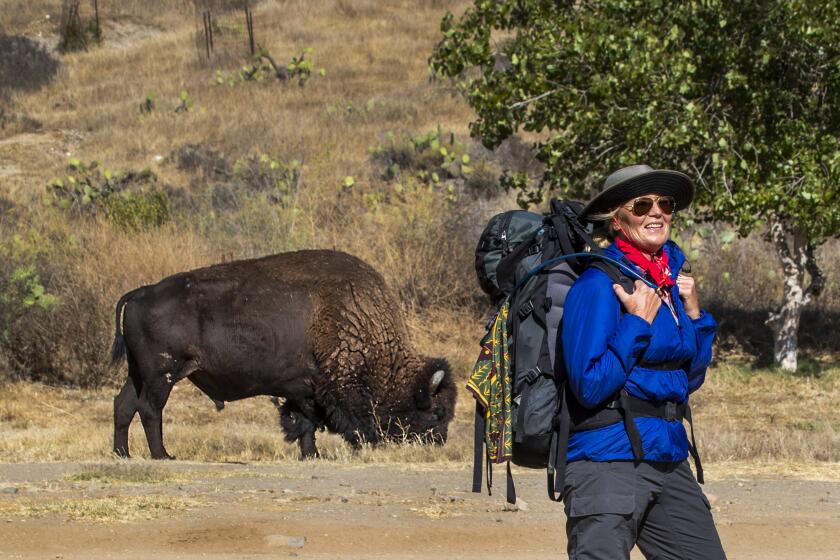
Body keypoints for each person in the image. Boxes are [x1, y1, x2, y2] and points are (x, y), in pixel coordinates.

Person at [560, 164, 727, 560]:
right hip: (608, 460)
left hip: (667, 454)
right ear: (616, 220)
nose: (656, 212)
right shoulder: (599, 284)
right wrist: (635, 322)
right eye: (641, 205)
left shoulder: (666, 285)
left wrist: (697, 316)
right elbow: (588, 384)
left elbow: (687, 380)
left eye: (664, 204)